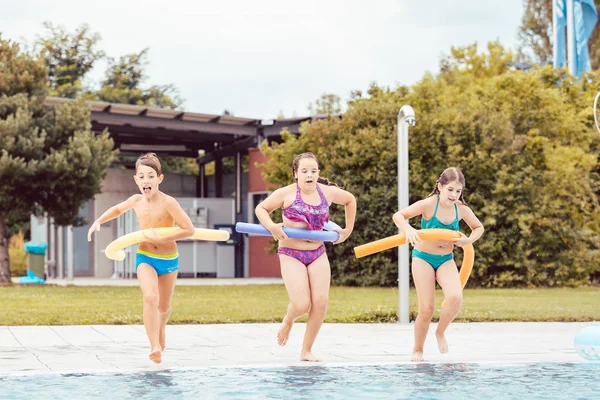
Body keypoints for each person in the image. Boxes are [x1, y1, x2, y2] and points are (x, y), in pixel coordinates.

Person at [87, 153, 194, 363]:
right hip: (145, 256)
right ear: (136, 180)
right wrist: (99, 220)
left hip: (169, 259)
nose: (146, 180)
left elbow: (188, 229)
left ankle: (161, 327)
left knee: (164, 307)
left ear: (159, 179)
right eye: (142, 176)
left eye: (151, 176)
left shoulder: (169, 203)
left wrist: (164, 237)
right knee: (150, 297)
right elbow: (117, 209)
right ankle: (154, 345)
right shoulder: (136, 201)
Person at [255, 152, 356, 362]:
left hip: (317, 252)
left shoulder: (327, 192)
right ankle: (289, 319)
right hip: (291, 253)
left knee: (320, 302)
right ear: (295, 174)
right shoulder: (286, 193)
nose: (309, 175)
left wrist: (347, 230)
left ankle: (306, 351)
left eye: (313, 171)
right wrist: (272, 226)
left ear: (318, 173)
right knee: (301, 304)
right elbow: (261, 209)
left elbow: (350, 200)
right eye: (304, 171)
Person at [392, 167, 484, 362]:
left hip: (445, 260)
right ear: (440, 186)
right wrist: (408, 229)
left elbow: (478, 227)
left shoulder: (461, 209)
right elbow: (398, 216)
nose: (454, 195)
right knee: (427, 309)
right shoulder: (428, 204)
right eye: (450, 189)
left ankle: (440, 332)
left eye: (458, 191)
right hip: (423, 258)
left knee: (456, 298)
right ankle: (418, 349)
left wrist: (468, 241)